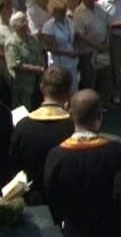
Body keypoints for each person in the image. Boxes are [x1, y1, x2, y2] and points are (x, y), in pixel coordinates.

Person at [43, 89, 121, 235]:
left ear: (70, 115)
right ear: (99, 115)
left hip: (74, 230)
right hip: (111, 229)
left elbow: (52, 198)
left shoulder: (57, 156)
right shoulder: (118, 152)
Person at [9, 67, 74, 205]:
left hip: (35, 197)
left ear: (41, 87)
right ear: (68, 92)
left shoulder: (23, 126)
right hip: (67, 196)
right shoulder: (72, 126)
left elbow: (14, 163)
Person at [74, 0, 111, 106]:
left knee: (104, 78)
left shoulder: (99, 7)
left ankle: (104, 102)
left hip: (103, 48)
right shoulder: (79, 13)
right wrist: (96, 46)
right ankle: (91, 106)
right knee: (91, 81)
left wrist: (105, 41)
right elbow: (80, 36)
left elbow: (107, 24)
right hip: (89, 52)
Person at [5, 11, 45, 110]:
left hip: (37, 82)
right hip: (23, 85)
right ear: (14, 26)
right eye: (22, 21)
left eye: (26, 20)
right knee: (24, 110)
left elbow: (40, 54)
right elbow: (15, 65)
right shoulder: (12, 43)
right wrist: (35, 69)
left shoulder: (33, 39)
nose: (26, 23)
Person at [42, 0, 80, 93]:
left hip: (72, 60)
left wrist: (76, 48)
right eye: (59, 12)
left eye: (63, 11)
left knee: (73, 87)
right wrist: (67, 53)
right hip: (59, 62)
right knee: (61, 89)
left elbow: (74, 38)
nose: (62, 14)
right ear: (53, 12)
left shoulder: (70, 22)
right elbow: (49, 47)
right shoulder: (48, 27)